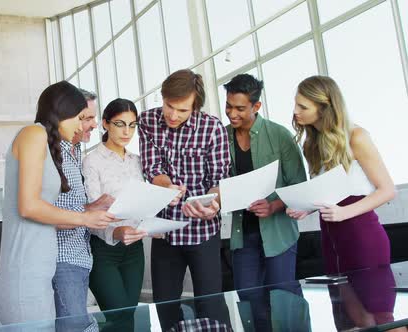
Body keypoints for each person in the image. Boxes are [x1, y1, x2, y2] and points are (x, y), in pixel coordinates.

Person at [0, 81, 115, 325]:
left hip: (39, 272)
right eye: (80, 118)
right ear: (63, 111)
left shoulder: (48, 146)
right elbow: (28, 206)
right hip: (24, 275)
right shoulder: (33, 133)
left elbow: (46, 211)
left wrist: (88, 211)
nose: (82, 126)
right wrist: (84, 218)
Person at [139, 69, 231, 330]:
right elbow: (152, 168)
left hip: (203, 231)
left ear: (195, 107)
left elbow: (219, 180)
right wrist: (167, 187)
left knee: (211, 305)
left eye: (181, 110)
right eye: (169, 105)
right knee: (164, 306)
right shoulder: (148, 121)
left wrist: (213, 205)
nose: (172, 115)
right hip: (166, 232)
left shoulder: (212, 128)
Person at [287, 75, 396, 275]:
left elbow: (388, 190)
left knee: (371, 306)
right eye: (296, 104)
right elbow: (329, 192)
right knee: (340, 305)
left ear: (323, 108)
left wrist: (344, 212)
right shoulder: (312, 144)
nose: (295, 111)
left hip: (362, 235)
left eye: (303, 107)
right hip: (330, 238)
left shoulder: (357, 136)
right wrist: (307, 208)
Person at [223, 74, 306, 292]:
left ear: (256, 105)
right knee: (248, 302)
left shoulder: (280, 135)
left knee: (283, 298)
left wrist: (273, 206)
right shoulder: (221, 137)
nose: (232, 113)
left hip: (278, 234)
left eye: (240, 108)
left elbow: (298, 186)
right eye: (228, 106)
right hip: (243, 235)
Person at [52, 88, 115, 331]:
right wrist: (87, 217)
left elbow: (67, 207)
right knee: (76, 326)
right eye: (86, 118)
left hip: (80, 256)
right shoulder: (51, 153)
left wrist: (93, 207)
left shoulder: (75, 151)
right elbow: (43, 212)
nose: (93, 124)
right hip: (63, 258)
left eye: (92, 117)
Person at [82, 98, 148, 331]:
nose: (127, 131)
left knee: (127, 318)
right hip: (103, 251)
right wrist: (116, 230)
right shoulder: (91, 161)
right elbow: (90, 213)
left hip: (134, 250)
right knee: (118, 317)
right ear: (105, 124)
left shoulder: (137, 162)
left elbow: (144, 203)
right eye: (120, 124)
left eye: (132, 125)